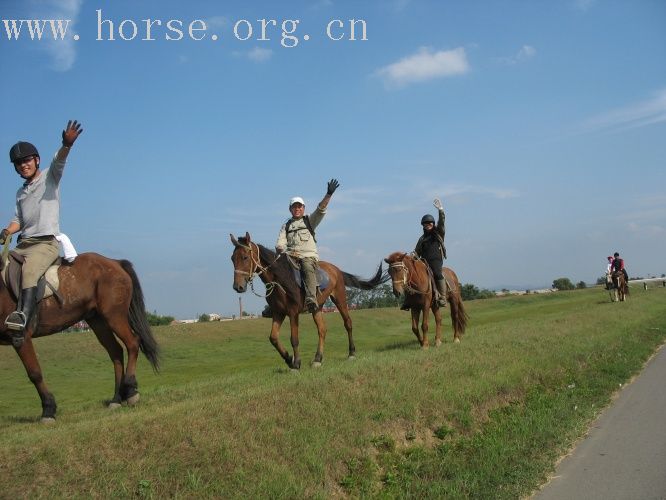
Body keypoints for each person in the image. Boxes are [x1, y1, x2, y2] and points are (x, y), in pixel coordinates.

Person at [0, 120, 83, 346]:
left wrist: (67, 145)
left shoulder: (50, 177)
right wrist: (8, 230)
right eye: (18, 163)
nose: (23, 165)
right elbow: (19, 219)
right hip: (23, 243)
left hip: (46, 243)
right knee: (3, 267)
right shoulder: (20, 192)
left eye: (26, 160)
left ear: (36, 160)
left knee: (29, 271)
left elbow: (59, 160)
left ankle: (23, 318)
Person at [275, 179, 339, 313]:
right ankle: (274, 303)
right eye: (294, 207)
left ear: (303, 208)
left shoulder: (309, 220)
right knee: (275, 270)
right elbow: (280, 243)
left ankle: (311, 299)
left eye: (300, 206)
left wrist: (328, 195)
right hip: (290, 257)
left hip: (307, 257)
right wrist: (280, 248)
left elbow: (320, 210)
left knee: (307, 266)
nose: (297, 209)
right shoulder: (286, 226)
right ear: (290, 209)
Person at [414, 198, 447, 307]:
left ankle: (442, 297)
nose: (427, 225)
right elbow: (416, 252)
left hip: (436, 261)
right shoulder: (422, 238)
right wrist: (412, 256)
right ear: (423, 225)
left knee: (437, 273)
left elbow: (441, 223)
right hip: (424, 262)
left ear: (433, 224)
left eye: (429, 223)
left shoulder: (438, 234)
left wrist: (441, 210)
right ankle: (411, 299)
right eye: (425, 224)